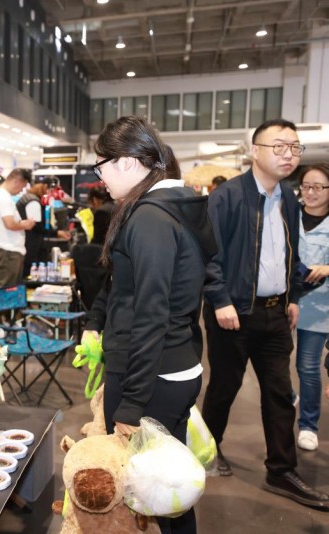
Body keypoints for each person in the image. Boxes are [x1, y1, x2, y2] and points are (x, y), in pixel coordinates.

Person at [82, 116, 216, 534]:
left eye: (101, 165)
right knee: (167, 489)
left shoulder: (150, 218)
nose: (100, 177)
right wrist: (97, 322)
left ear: (125, 162)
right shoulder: (173, 207)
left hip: (152, 376)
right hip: (173, 367)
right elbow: (129, 288)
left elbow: (151, 313)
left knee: (144, 493)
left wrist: (132, 405)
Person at [200, 119, 329, 510]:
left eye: (294, 147)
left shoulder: (288, 196)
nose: (288, 154)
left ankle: (281, 471)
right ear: (255, 151)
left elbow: (287, 253)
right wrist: (220, 299)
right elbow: (207, 252)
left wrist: (293, 295)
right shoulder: (227, 196)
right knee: (224, 387)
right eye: (279, 146)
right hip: (233, 313)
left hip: (275, 313)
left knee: (279, 392)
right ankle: (207, 451)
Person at [294, 163, 329, 451]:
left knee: (307, 366)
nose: (311, 192)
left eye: (318, 187)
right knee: (271, 364)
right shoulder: (289, 215)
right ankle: (289, 396)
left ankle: (308, 425)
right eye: (306, 186)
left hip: (319, 308)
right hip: (284, 302)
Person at [0, 168, 35, 287]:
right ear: (16, 182)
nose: (20, 191)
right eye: (22, 187)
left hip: (10, 250)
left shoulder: (3, 196)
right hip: (8, 251)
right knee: (7, 291)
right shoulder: (3, 198)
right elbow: (9, 224)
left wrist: (21, 223)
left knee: (12, 290)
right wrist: (25, 224)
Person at [16, 179, 71, 276]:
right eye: (51, 191)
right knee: (30, 272)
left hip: (28, 242)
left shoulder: (30, 199)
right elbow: (37, 227)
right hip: (30, 244)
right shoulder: (33, 202)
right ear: (45, 187)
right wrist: (57, 233)